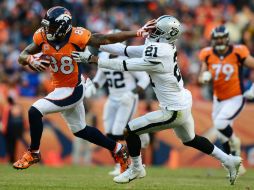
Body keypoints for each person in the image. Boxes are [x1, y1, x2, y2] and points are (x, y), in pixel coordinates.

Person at [72, 15, 242, 185]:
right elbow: (125, 51)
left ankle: (137, 168)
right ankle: (229, 160)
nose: (152, 33)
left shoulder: (160, 53)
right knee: (190, 139)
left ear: (167, 34)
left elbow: (126, 65)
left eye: (157, 31)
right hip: (181, 101)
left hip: (174, 109)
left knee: (130, 130)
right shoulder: (161, 47)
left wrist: (94, 60)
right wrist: (95, 43)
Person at [13, 6, 153, 170]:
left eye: (51, 26)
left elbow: (105, 39)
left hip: (72, 89)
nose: (46, 29)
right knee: (81, 130)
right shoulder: (42, 36)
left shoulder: (77, 36)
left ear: (63, 26)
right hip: (60, 88)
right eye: (46, 25)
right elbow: (21, 56)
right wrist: (29, 59)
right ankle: (118, 149)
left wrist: (136, 33)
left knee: (35, 111)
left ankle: (33, 152)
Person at [85, 37, 150, 175]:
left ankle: (139, 134)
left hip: (127, 98)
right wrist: (93, 87)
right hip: (112, 98)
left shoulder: (127, 57)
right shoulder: (103, 56)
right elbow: (100, 78)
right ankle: (120, 165)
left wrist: (132, 93)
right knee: (109, 135)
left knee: (117, 131)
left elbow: (144, 79)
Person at [198, 25, 254, 175]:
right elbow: (201, 74)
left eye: (222, 38)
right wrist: (204, 77)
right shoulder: (208, 54)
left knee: (220, 124)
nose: (220, 41)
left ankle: (235, 141)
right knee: (222, 134)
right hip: (218, 98)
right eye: (217, 38)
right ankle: (234, 164)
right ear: (213, 40)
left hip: (236, 97)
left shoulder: (238, 51)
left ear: (228, 38)